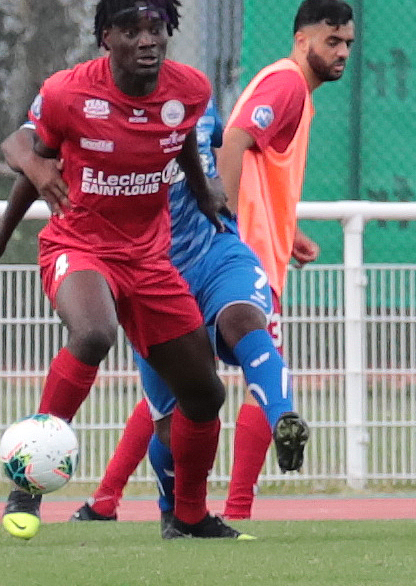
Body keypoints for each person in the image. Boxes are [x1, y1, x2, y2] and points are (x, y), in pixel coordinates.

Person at [0, 0, 250, 541]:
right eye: (132, 31)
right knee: (93, 334)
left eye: (156, 29)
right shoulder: (69, 92)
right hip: (78, 245)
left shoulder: (191, 88)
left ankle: (188, 518)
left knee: (206, 394)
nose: (147, 40)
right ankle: (27, 487)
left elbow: (180, 135)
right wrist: (5, 228)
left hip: (149, 258)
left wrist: (203, 188)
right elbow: (21, 149)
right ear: (107, 37)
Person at [69, 97, 308, 532]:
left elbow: (221, 145)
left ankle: (283, 418)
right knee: (172, 421)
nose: (150, 59)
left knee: (243, 320)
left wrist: (220, 195)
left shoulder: (194, 96)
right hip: (151, 272)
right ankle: (174, 510)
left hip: (217, 248)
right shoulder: (96, 112)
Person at [217, 0, 355, 519]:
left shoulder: (292, 88)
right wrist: (229, 230)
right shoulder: (288, 83)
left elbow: (258, 162)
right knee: (266, 380)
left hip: (250, 250)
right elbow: (233, 142)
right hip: (245, 261)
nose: (342, 52)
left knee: (182, 382)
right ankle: (237, 510)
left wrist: (287, 229)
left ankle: (106, 500)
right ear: (302, 39)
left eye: (347, 43)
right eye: (332, 40)